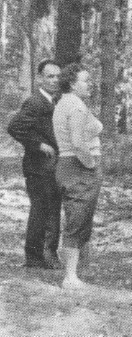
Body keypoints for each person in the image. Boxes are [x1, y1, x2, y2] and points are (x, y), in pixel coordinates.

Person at [7, 59, 63, 269]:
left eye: (57, 76)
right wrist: (38, 145)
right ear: (40, 78)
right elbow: (14, 126)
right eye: (50, 76)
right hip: (39, 167)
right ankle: (39, 257)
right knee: (43, 210)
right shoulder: (36, 101)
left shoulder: (54, 101)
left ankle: (40, 256)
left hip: (51, 166)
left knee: (49, 209)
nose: (55, 80)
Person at [53, 63, 103, 289]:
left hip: (69, 165)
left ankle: (78, 270)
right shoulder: (75, 106)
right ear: (72, 84)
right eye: (85, 80)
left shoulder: (65, 102)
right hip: (78, 166)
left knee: (78, 216)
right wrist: (91, 164)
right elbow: (77, 142)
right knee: (76, 219)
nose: (89, 83)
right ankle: (70, 277)